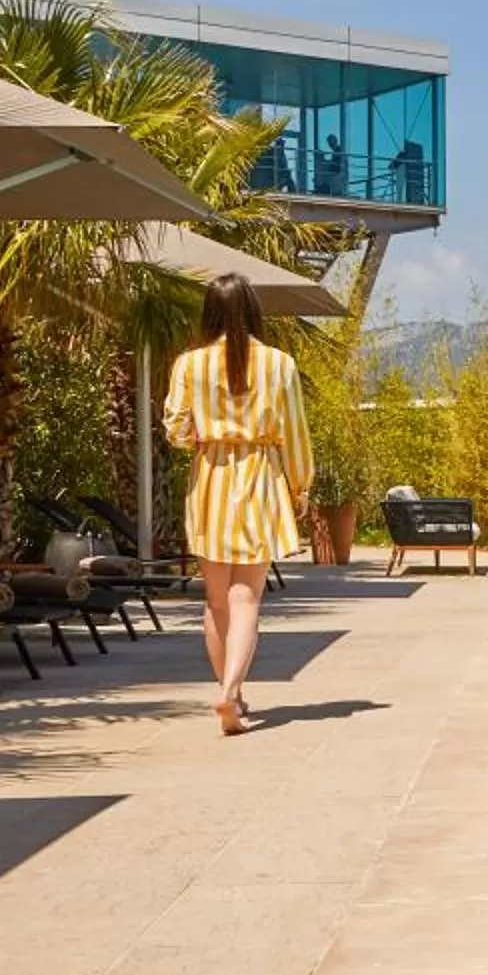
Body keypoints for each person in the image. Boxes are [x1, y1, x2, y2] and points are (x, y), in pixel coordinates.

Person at [163, 274, 315, 734]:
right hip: (260, 477)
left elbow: (175, 429)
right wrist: (301, 485)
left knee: (216, 602)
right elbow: (294, 432)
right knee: (247, 596)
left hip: (211, 478)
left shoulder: (188, 365)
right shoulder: (279, 364)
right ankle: (230, 693)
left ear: (209, 311)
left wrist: (205, 436)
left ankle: (233, 692)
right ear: (252, 310)